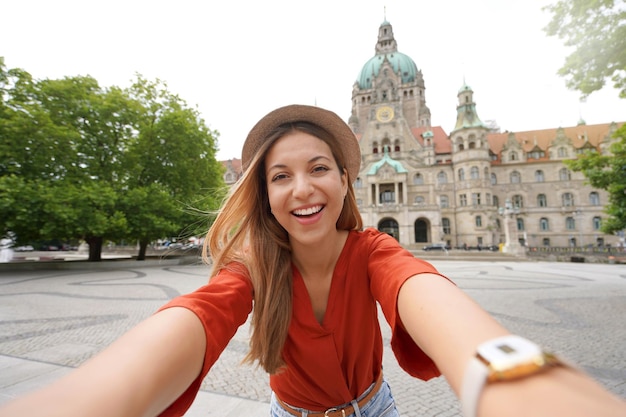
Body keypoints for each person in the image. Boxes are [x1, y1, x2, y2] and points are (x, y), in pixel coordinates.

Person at [0, 105, 624, 417]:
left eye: (319, 168)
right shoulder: (251, 268)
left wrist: (529, 389)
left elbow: (452, 319)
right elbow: (189, 321)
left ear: (348, 183)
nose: (303, 189)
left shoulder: (375, 250)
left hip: (374, 408)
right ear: (264, 194)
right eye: (281, 175)